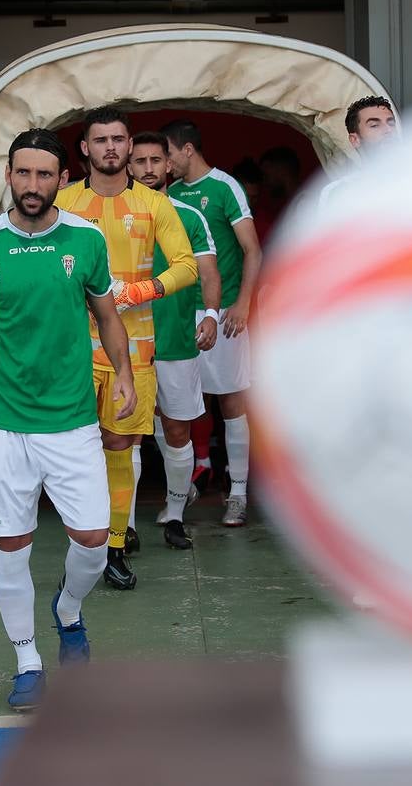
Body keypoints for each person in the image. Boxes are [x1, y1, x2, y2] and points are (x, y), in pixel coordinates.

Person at [0, 128, 134, 711]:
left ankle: (68, 610)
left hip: (70, 420)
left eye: (45, 175)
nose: (32, 185)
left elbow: (107, 315)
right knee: (10, 546)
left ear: (63, 180)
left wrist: (121, 372)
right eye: (23, 173)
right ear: (9, 176)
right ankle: (28, 662)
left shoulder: (86, 241)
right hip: (1, 422)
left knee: (94, 540)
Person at [55, 107, 199, 588]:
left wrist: (143, 290)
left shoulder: (156, 205)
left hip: (133, 350)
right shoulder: (64, 200)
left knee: (119, 445)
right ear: (85, 149)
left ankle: (116, 546)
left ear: (129, 145)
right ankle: (84, 546)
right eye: (101, 140)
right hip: (71, 348)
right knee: (73, 450)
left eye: (119, 139)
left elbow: (186, 265)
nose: (111, 148)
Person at [161, 119, 263, 527]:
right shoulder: (167, 196)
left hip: (222, 314)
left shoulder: (225, 187)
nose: (163, 164)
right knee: (178, 404)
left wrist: (242, 304)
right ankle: (183, 489)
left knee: (231, 401)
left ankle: (237, 491)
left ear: (187, 150)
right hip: (179, 315)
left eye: (167, 154)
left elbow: (252, 250)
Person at [129, 131, 222, 548]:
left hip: (176, 340)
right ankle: (123, 525)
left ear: (169, 165)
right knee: (124, 434)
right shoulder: (113, 213)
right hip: (125, 343)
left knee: (178, 432)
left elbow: (207, 271)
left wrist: (211, 315)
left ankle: (175, 514)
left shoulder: (188, 215)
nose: (148, 169)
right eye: (140, 161)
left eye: (155, 160)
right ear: (128, 166)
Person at [318, 96, 398, 205]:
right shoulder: (337, 194)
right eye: (374, 125)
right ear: (355, 140)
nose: (388, 130)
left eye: (391, 124)